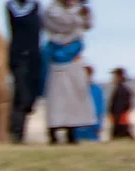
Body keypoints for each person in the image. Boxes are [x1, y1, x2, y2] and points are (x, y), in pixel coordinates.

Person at [42, 0, 94, 145]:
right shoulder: (52, 10)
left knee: (74, 97)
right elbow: (64, 24)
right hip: (56, 58)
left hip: (74, 58)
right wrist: (77, 16)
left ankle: (72, 132)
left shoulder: (79, 9)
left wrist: (85, 16)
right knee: (56, 98)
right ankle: (53, 133)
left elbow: (87, 26)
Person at [7, 0, 42, 144]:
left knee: (29, 96)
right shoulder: (11, 7)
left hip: (33, 57)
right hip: (19, 56)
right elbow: (21, 21)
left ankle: (19, 130)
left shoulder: (35, 6)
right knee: (22, 95)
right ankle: (17, 133)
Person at [72, 63, 103, 141]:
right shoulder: (75, 90)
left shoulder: (97, 90)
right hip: (77, 126)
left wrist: (98, 126)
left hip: (92, 127)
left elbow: (100, 109)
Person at [108, 66, 133, 139]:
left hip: (119, 119)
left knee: (120, 135)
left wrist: (116, 117)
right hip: (119, 119)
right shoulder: (121, 89)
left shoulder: (122, 90)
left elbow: (120, 107)